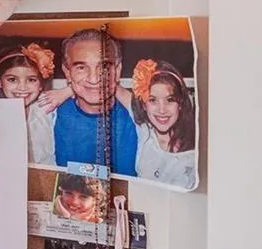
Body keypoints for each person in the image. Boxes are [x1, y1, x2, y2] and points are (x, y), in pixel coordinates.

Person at [51, 29, 138, 176]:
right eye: (81, 67)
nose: (94, 79)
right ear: (67, 72)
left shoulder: (144, 120)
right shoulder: (48, 118)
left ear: (118, 70)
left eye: (104, 67)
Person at [131, 60, 198, 189]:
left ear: (180, 104)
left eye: (170, 100)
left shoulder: (195, 148)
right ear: (143, 105)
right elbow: (112, 86)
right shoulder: (145, 131)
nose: (162, 110)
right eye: (152, 100)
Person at [0, 44, 57, 166]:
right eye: (12, 80)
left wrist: (64, 92)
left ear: (41, 85)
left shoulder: (46, 107)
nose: (22, 87)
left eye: (31, 80)